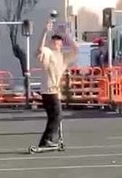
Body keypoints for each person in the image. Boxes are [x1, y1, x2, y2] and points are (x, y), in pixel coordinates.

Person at [36, 20, 77, 149]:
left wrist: (67, 35)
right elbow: (40, 49)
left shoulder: (63, 57)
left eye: (58, 39)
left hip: (55, 91)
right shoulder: (48, 53)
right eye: (53, 39)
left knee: (54, 116)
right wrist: (44, 32)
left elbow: (76, 49)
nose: (56, 41)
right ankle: (46, 140)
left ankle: (46, 140)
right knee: (57, 115)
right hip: (49, 90)